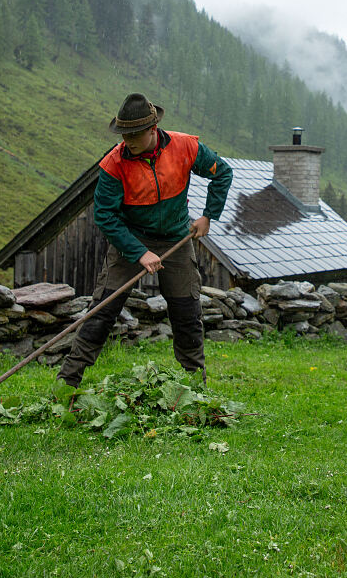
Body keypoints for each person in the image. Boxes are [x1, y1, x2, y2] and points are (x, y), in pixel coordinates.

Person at [56, 93, 233, 388]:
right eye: (124, 134)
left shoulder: (185, 147)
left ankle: (194, 388)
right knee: (101, 312)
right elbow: (105, 217)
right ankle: (67, 383)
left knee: (187, 313)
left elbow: (222, 173)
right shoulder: (113, 164)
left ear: (153, 130)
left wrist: (208, 216)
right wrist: (139, 252)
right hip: (130, 241)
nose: (128, 141)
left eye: (134, 134)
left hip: (176, 238)